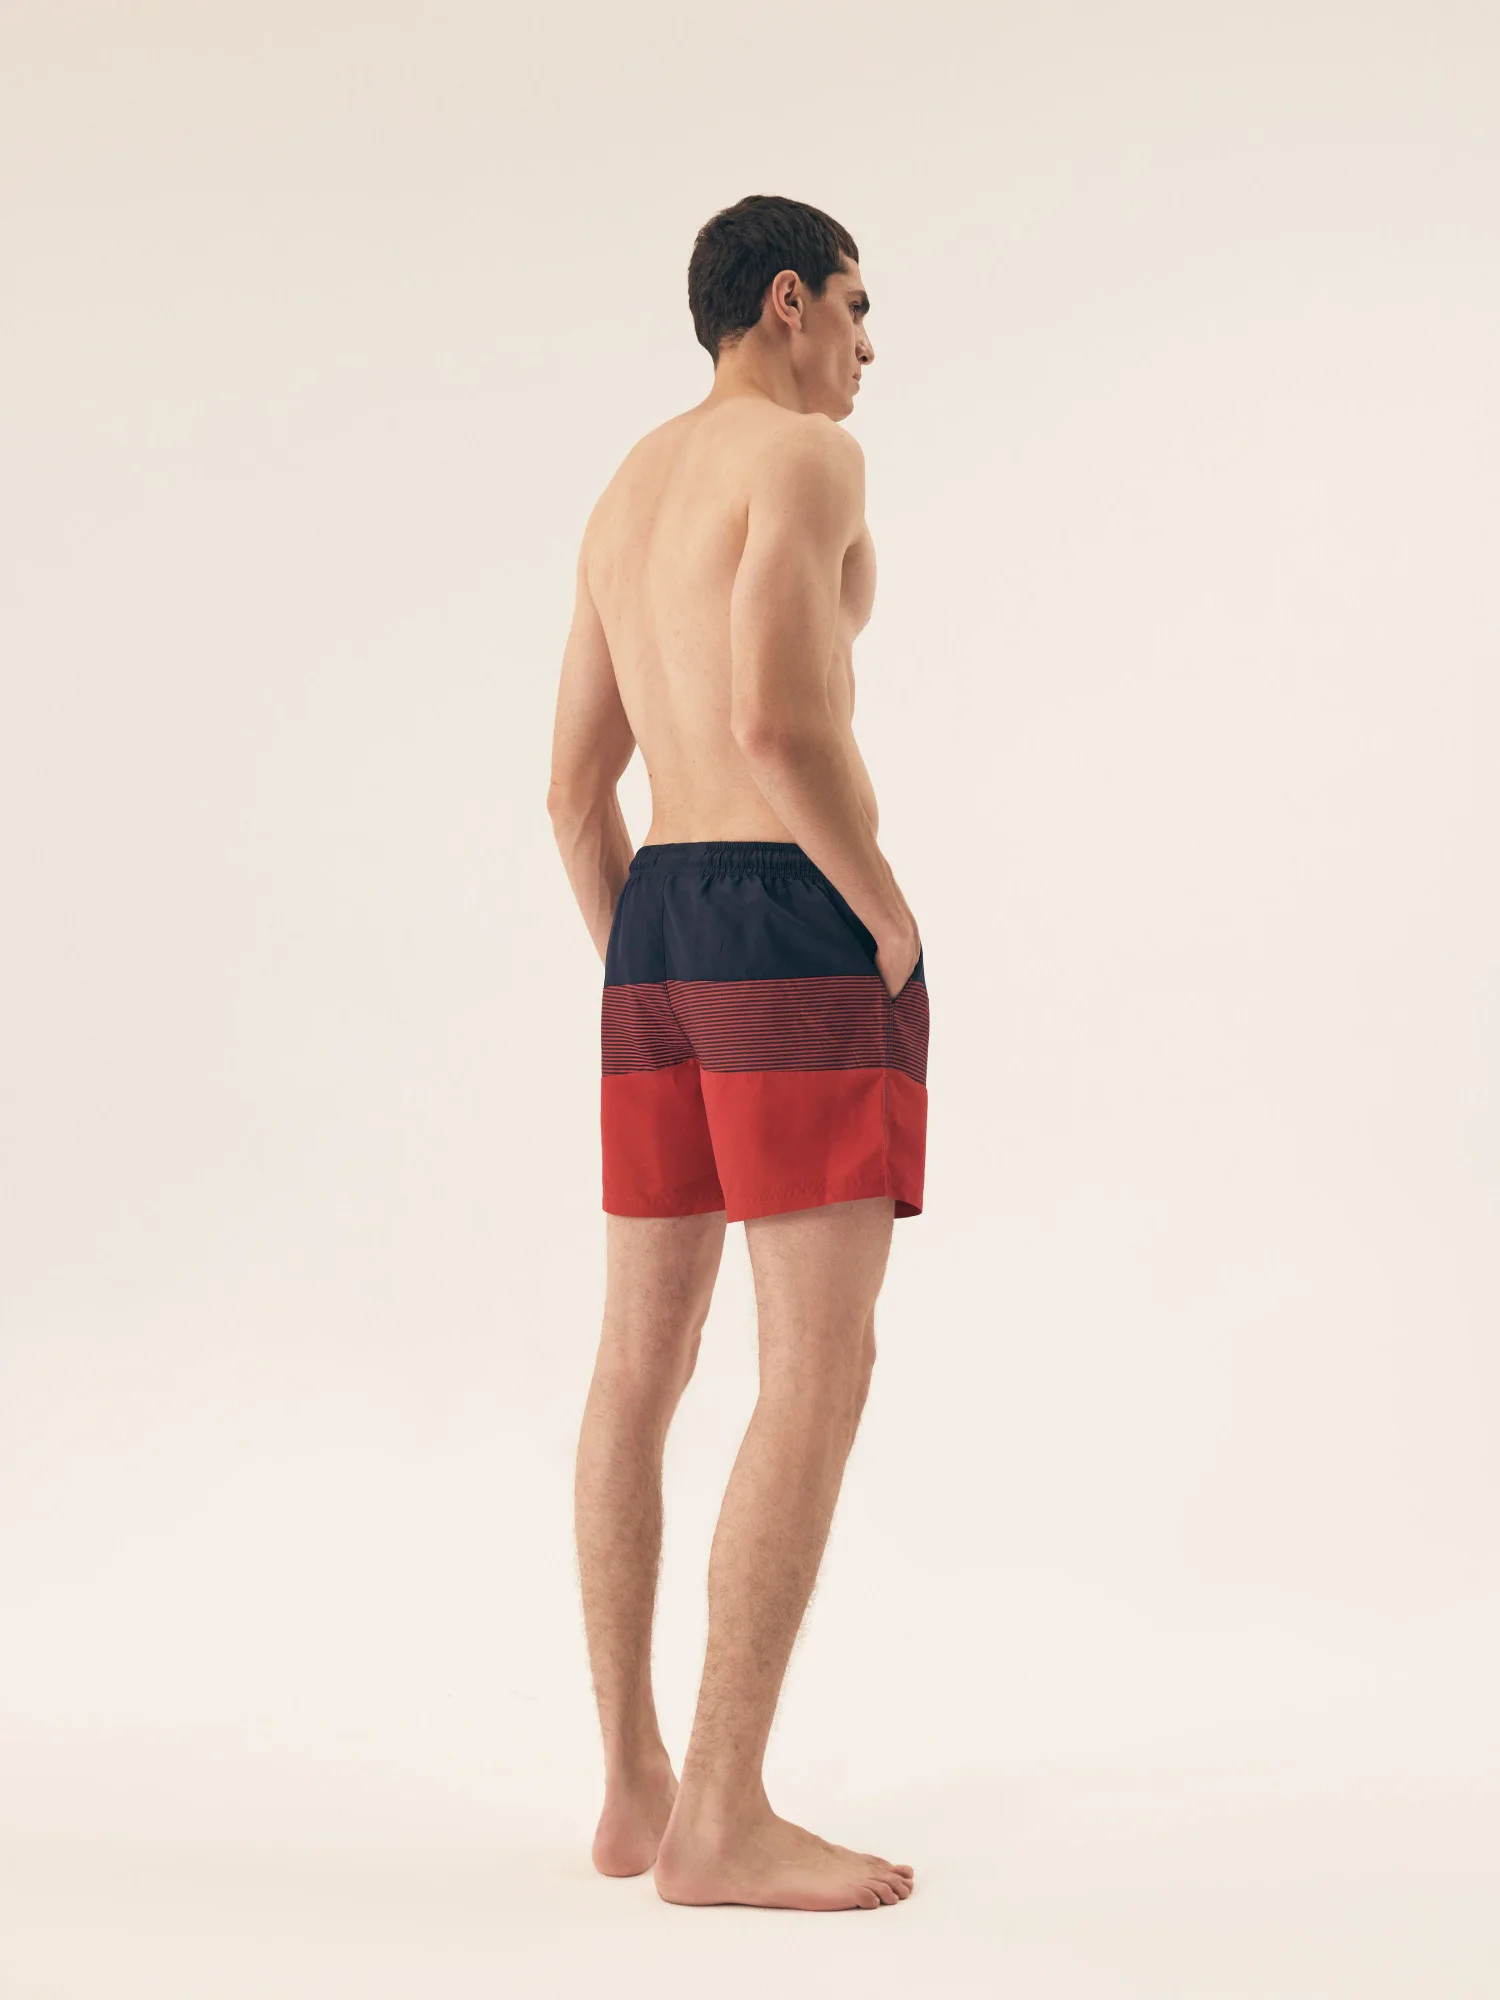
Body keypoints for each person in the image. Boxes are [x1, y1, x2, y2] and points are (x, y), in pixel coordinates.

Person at [546, 193, 925, 1913]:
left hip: (656, 937)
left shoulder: (628, 489)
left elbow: (573, 796)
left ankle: (634, 1785)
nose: (866, 346)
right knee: (818, 1369)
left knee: (640, 1365)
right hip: (786, 918)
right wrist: (883, 917)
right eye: (855, 307)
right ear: (787, 302)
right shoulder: (805, 458)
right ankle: (723, 1817)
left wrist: (659, 976)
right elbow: (775, 722)